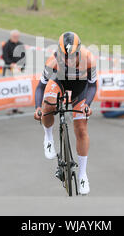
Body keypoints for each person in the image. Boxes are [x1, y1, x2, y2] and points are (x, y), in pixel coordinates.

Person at [34, 32, 96, 195]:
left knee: (81, 129)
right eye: (65, 56)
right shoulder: (52, 62)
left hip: (79, 90)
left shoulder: (89, 60)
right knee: (48, 103)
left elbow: (92, 86)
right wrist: (38, 108)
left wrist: (87, 105)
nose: (69, 60)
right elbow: (40, 87)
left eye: (73, 56)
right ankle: (48, 137)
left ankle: (82, 174)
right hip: (58, 83)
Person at [2, 29, 26, 115]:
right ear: (11, 36)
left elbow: (24, 57)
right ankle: (9, 108)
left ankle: (18, 107)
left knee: (18, 88)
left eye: (17, 36)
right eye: (14, 36)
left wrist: (21, 66)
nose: (16, 38)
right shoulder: (6, 45)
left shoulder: (21, 45)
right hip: (9, 69)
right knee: (9, 88)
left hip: (18, 70)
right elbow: (5, 57)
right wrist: (11, 64)